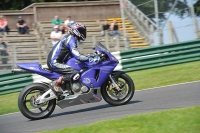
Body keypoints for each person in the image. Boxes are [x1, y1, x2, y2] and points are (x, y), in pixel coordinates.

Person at [47, 22, 90, 93]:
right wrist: (90, 58)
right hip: (54, 62)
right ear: (76, 31)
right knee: (76, 72)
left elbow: (74, 54)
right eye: (81, 31)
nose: (83, 33)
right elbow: (78, 56)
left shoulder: (70, 37)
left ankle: (67, 89)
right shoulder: (71, 40)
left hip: (54, 61)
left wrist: (85, 57)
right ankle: (57, 83)